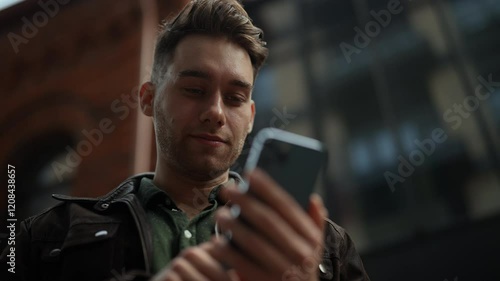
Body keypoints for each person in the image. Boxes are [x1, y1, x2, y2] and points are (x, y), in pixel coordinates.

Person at [1, 0, 370, 280]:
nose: (217, 112)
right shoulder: (46, 237)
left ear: (252, 117)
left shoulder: (328, 249)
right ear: (147, 99)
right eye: (195, 89)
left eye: (236, 98)